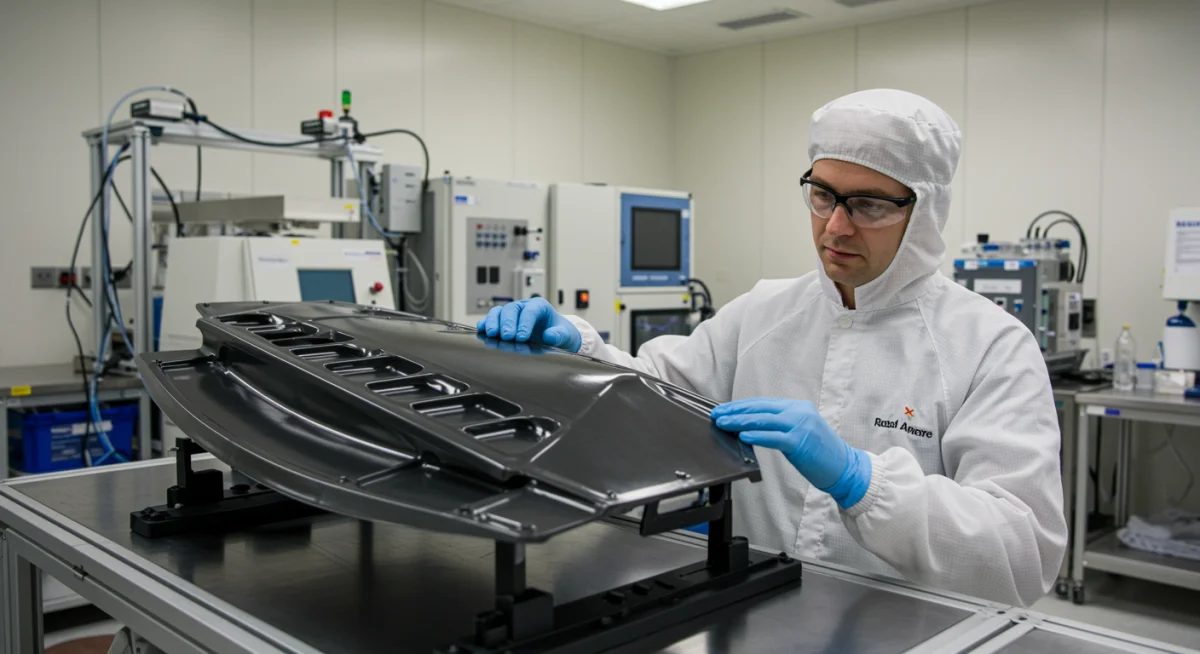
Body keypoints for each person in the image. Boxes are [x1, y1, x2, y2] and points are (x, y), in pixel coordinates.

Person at [477, 89, 1066, 607]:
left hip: (910, 629)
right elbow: (651, 394)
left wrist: (864, 482)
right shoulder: (765, 312)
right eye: (823, 195)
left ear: (926, 210)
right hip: (756, 612)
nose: (835, 227)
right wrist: (575, 353)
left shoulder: (990, 346)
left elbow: (1023, 555)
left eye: (869, 205)